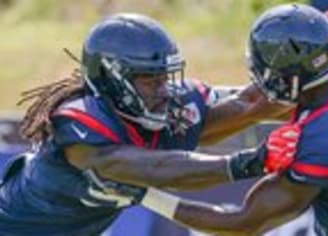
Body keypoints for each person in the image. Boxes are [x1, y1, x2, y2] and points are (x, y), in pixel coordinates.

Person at [84, 4, 328, 236]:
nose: (257, 82)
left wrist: (143, 196)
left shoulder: (323, 140)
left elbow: (244, 222)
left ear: (290, 79)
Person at [0, 13, 294, 236]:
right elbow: (155, 168)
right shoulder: (80, 122)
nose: (164, 89)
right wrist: (252, 162)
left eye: (164, 77)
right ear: (111, 80)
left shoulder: (171, 104)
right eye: (149, 80)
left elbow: (250, 102)